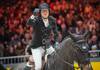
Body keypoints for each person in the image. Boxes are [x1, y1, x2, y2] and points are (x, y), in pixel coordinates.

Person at [24, 3, 59, 70]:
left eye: (46, 11)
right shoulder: (37, 20)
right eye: (43, 11)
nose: (45, 12)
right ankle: (30, 61)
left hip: (47, 46)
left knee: (56, 59)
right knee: (38, 67)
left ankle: (32, 59)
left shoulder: (52, 20)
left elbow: (56, 33)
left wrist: (56, 42)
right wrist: (33, 15)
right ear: (40, 12)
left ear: (49, 11)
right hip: (36, 46)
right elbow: (29, 23)